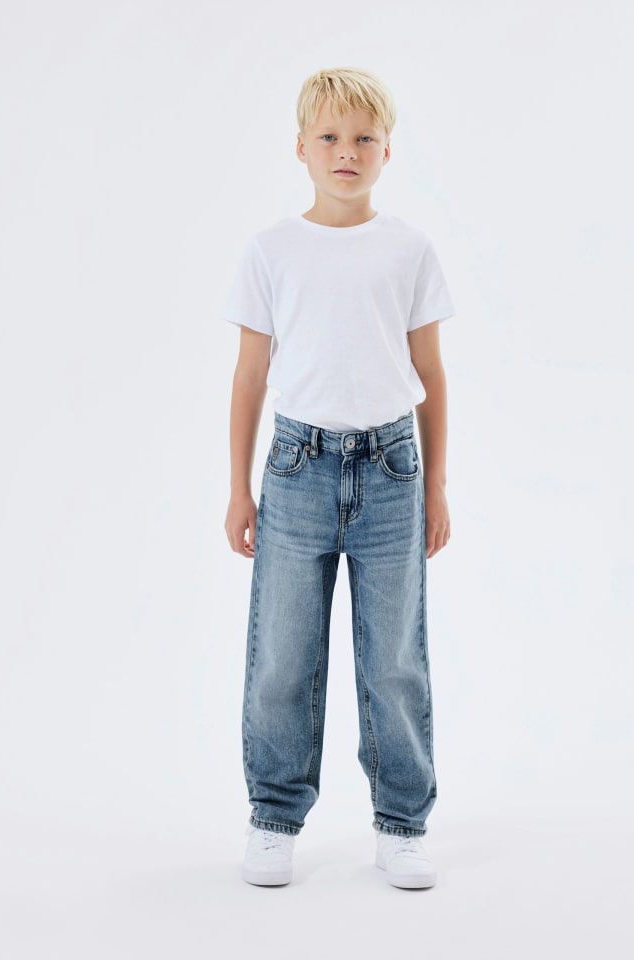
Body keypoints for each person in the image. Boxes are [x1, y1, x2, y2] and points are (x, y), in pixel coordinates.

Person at [222, 67, 455, 889]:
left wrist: (435, 485)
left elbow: (430, 373)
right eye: (328, 137)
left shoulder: (409, 250)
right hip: (296, 468)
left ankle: (402, 823)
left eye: (363, 138)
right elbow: (251, 375)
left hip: (392, 469)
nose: (345, 151)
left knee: (394, 660)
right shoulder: (272, 250)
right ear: (301, 148)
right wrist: (239, 487)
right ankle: (273, 816)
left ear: (388, 151)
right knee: (283, 655)